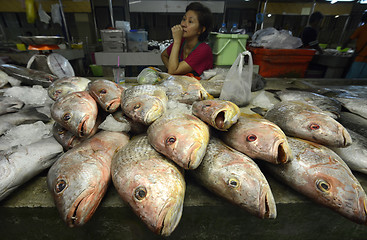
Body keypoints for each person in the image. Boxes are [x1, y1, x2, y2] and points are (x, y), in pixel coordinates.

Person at [161, 2, 213, 77]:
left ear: (201, 30)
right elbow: (164, 55)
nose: (183, 24)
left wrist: (177, 41)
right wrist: (170, 67)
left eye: (190, 21)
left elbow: (172, 71)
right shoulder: (182, 41)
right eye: (184, 19)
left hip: (200, 87)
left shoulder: (204, 50)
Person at [342, 11, 367, 79]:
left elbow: (350, 39)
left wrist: (343, 47)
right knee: (362, 81)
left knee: (351, 79)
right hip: (363, 59)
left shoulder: (362, 28)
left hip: (360, 58)